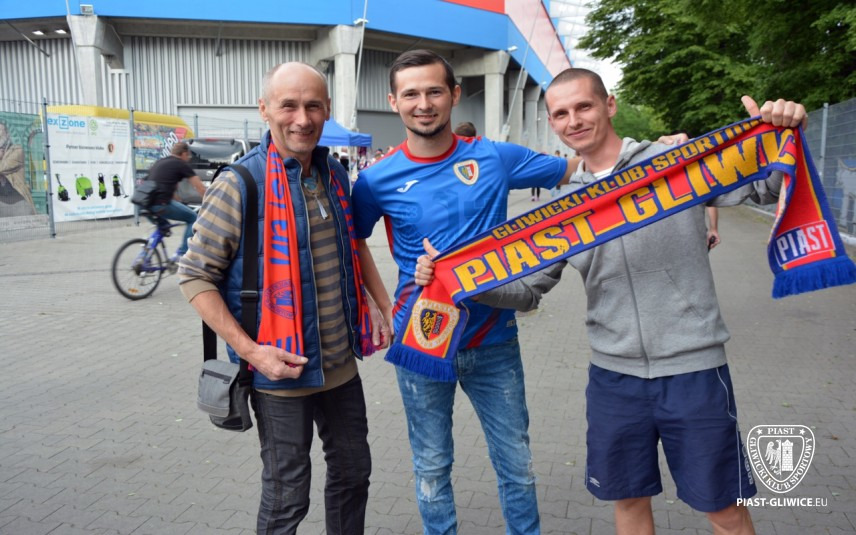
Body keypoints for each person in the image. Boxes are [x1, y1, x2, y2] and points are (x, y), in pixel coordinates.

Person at [416, 68, 806, 535]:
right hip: (613, 377)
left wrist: (785, 129)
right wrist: (462, 282)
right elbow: (529, 290)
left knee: (723, 509)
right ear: (552, 123)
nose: (574, 120)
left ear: (609, 105)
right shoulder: (563, 206)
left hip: (693, 369)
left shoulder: (672, 162)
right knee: (628, 502)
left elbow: (767, 185)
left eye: (583, 106)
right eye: (561, 113)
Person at [351, 49, 578, 535]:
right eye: (411, 94)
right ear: (394, 101)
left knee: (516, 464)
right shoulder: (374, 180)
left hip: (494, 341)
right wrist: (383, 305)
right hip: (421, 341)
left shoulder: (495, 157)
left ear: (454, 95)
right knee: (432, 466)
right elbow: (355, 240)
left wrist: (653, 151)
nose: (424, 104)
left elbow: (578, 169)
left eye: (434, 91)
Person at [178, 62, 389, 535]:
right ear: (265, 109)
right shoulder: (240, 183)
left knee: (354, 473)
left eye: (313, 106)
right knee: (287, 495)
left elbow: (349, 248)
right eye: (288, 106)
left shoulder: (335, 174)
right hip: (278, 371)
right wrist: (252, 353)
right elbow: (194, 277)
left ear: (327, 109)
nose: (302, 118)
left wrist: (377, 303)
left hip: (340, 366)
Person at [146, 142, 206, 261]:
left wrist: (180, 202)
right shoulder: (181, 164)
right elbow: (200, 188)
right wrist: (211, 203)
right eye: (188, 155)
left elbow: (167, 187)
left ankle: (144, 257)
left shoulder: (160, 162)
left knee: (163, 227)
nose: (189, 158)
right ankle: (181, 254)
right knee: (193, 218)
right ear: (184, 153)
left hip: (145, 203)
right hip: (161, 204)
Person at [0, 121, 37, 217]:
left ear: (7, 134)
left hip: (18, 200)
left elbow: (3, 167)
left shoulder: (17, 151)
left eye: (1, 130)